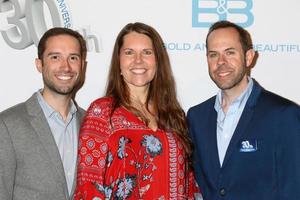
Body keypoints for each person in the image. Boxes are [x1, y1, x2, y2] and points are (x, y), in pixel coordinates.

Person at [74, 22, 200, 199]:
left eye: (147, 52)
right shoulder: (101, 112)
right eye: (129, 52)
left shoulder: (174, 115)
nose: (138, 60)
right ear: (118, 62)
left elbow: (190, 185)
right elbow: (88, 185)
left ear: (158, 61)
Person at [187, 20, 300, 200]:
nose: (221, 62)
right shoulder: (196, 117)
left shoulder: (284, 115)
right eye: (213, 55)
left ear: (249, 57)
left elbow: (294, 188)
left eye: (230, 53)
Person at [0, 27, 87, 200]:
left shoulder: (91, 124)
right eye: (55, 57)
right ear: (39, 65)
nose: (66, 66)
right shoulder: (8, 125)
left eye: (73, 58)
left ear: (82, 65)